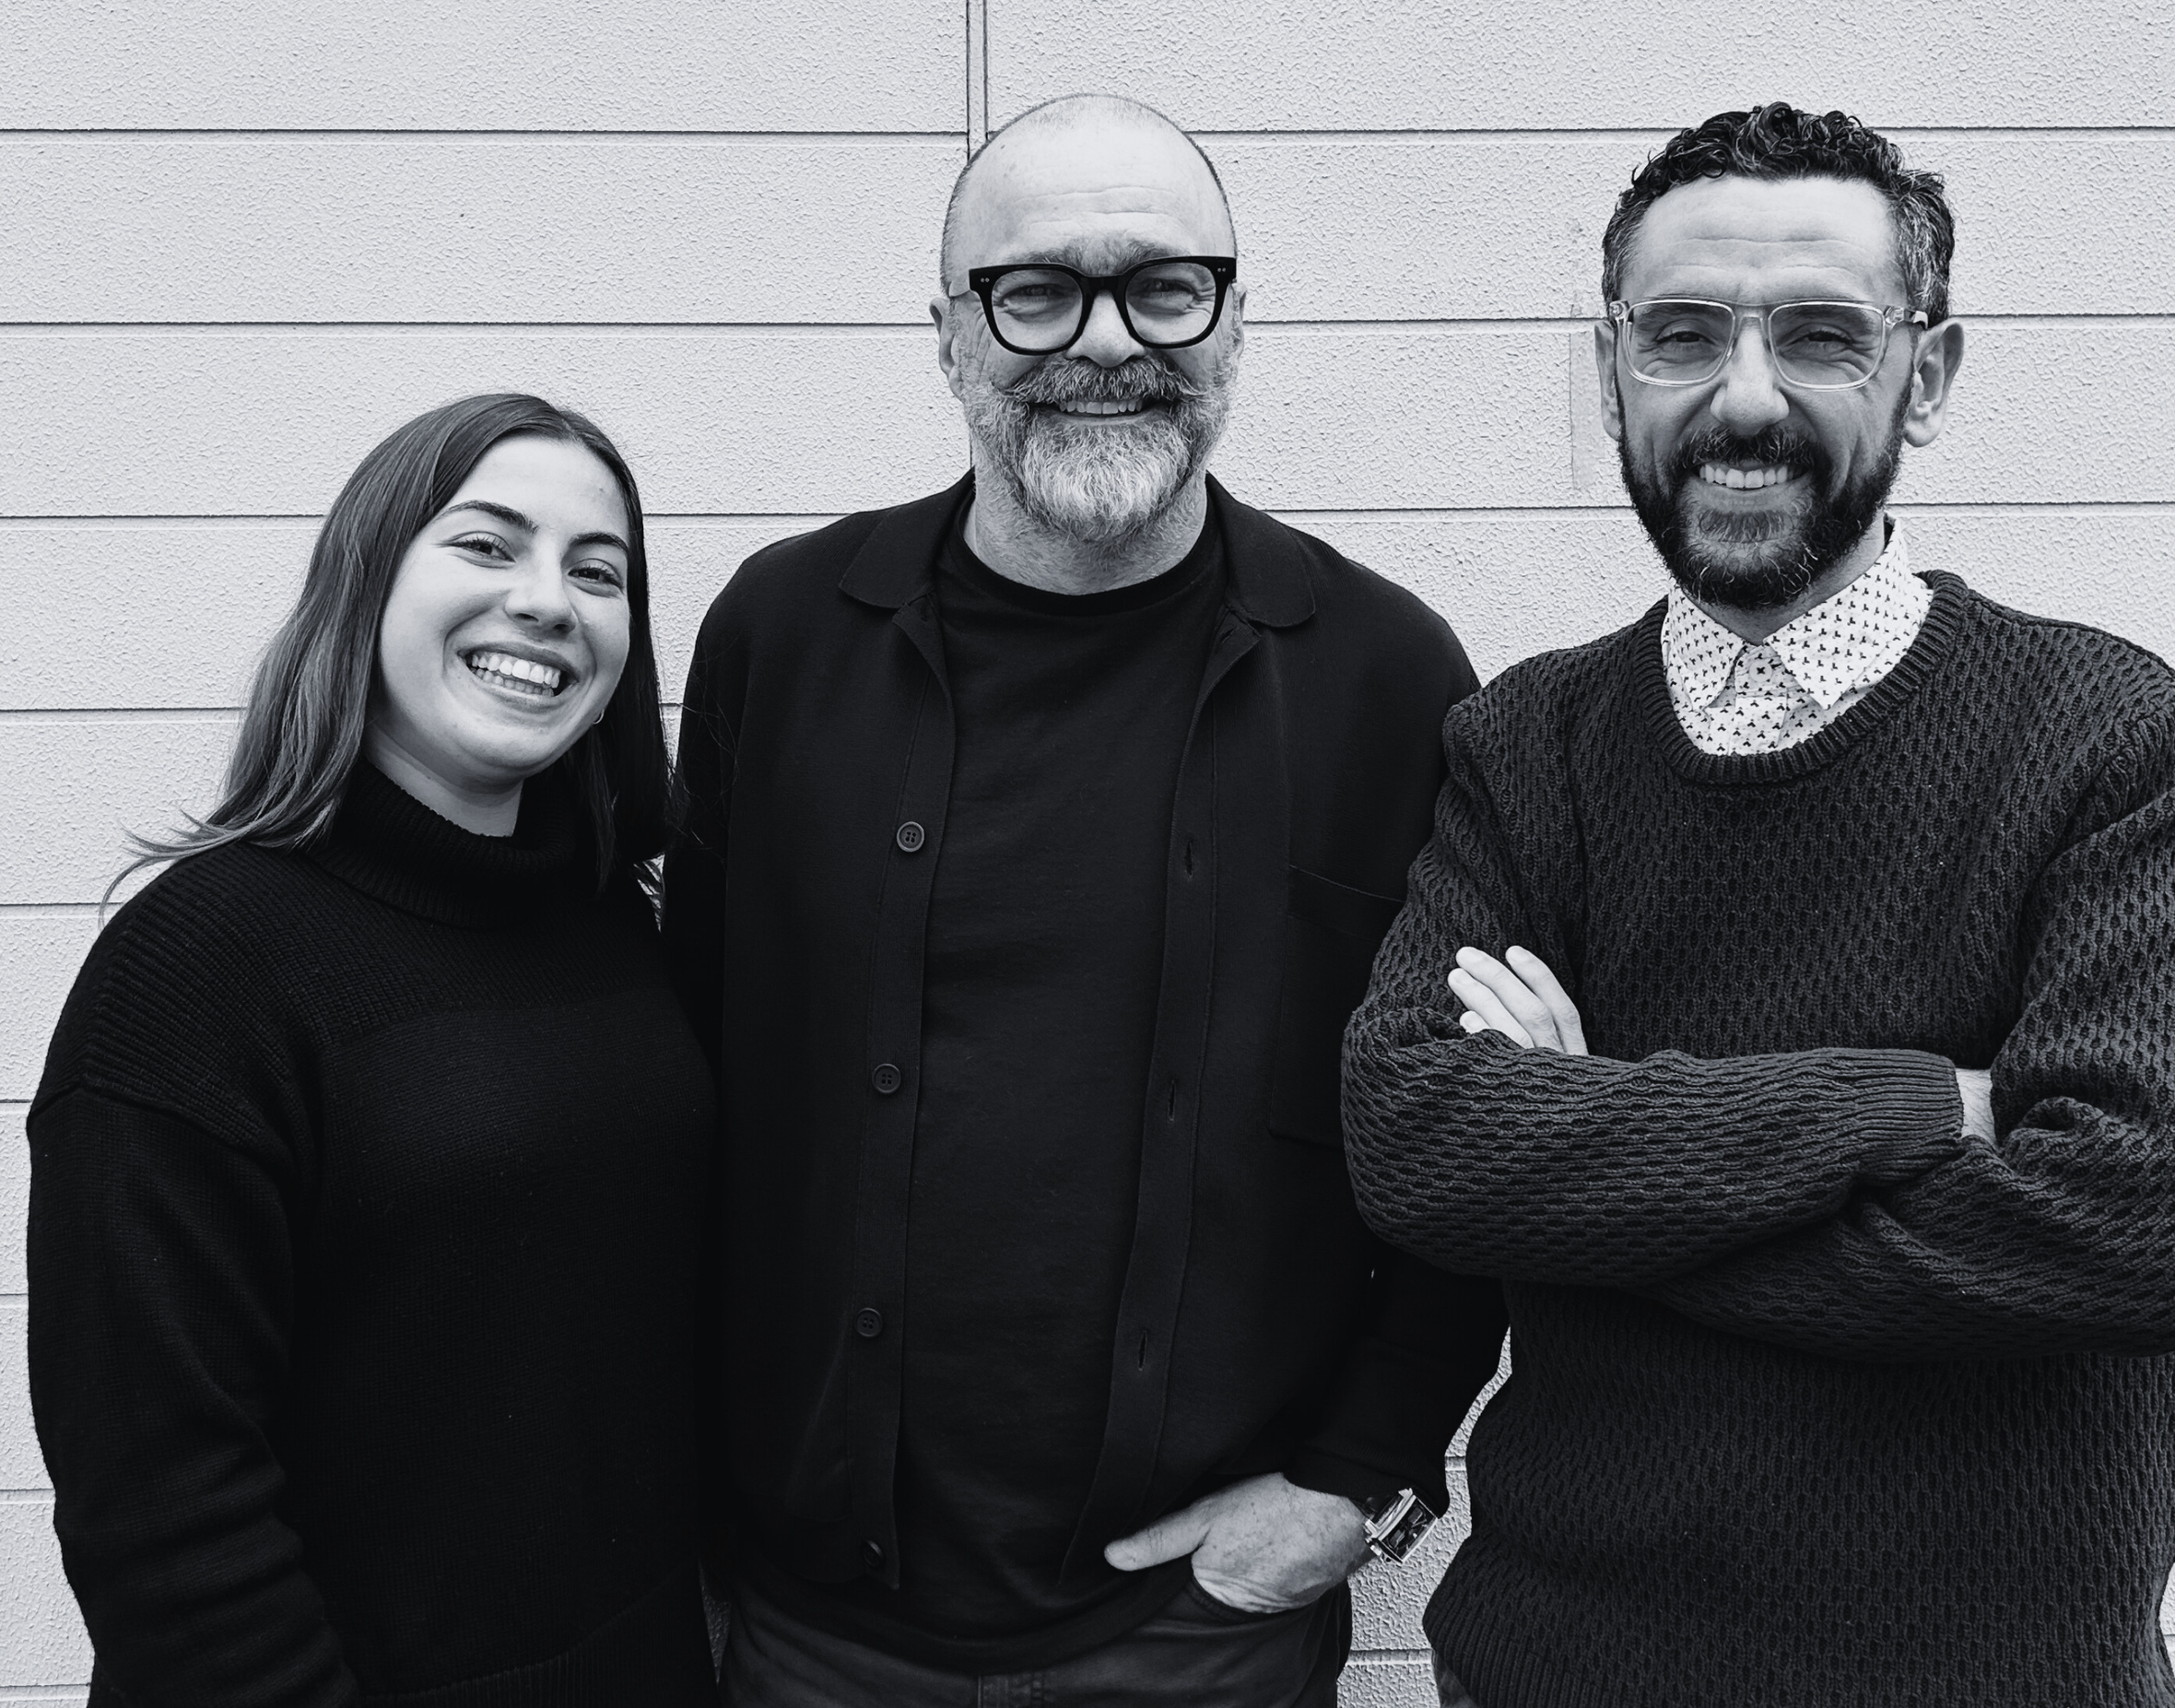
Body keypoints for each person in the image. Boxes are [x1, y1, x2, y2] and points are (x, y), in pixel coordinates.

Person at [1341, 104, 2175, 1708]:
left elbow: (2142, 1233)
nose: (1743, 397)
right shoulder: (1527, 747)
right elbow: (1419, 1138)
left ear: (1932, 372)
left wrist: (1592, 1164)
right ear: (1612, 364)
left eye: (1821, 335)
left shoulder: (2108, 736)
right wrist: (1908, 1105)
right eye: (1683, 334)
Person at [665, 95, 1507, 1705]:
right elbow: (686, 1088)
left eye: (1163, 287)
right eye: (1035, 290)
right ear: (947, 329)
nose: (1105, 342)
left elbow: (1462, 1138)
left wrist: (1362, 1483)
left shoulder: (1387, 675)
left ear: (1237, 316)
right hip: (809, 1631)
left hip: (1196, 1637)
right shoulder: (783, 635)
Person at [29, 394, 717, 1706]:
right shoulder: (199, 965)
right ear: (368, 580)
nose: (549, 602)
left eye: (598, 570)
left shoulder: (616, 928)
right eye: (485, 545)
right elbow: (159, 1499)